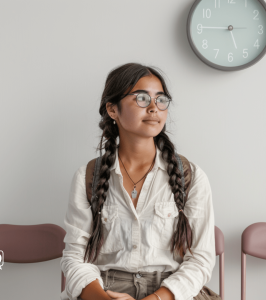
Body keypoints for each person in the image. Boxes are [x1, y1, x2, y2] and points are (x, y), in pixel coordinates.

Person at [60, 63, 216, 300]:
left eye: (161, 99)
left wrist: (156, 298)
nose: (154, 108)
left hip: (172, 294)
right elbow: (74, 257)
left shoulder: (191, 176)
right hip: (104, 291)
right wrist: (102, 298)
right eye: (141, 98)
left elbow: (200, 260)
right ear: (113, 109)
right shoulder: (87, 176)